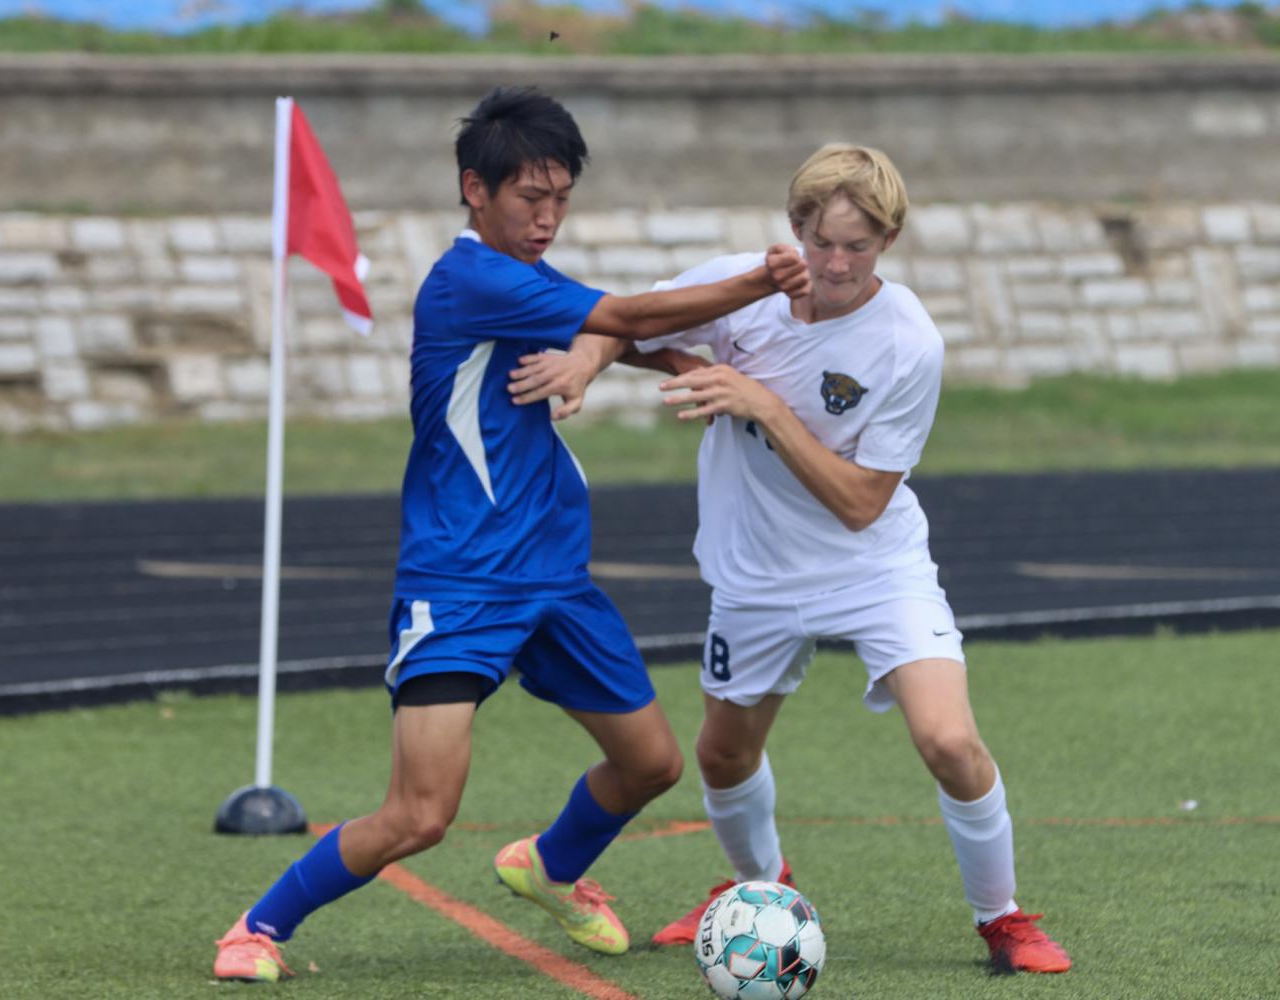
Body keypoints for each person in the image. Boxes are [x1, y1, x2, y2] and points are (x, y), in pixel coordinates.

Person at [211, 85, 813, 983]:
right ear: (474, 190)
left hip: (556, 581)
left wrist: (643, 356)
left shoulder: (522, 282)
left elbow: (607, 331)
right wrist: (763, 280)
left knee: (649, 762)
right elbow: (627, 317)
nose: (547, 218)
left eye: (561, 198)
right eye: (531, 198)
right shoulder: (469, 278)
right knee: (420, 815)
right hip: (460, 582)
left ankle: (550, 866)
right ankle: (256, 928)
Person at [508, 143, 1072, 975]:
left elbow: (858, 502)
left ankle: (1004, 919)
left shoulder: (907, 343)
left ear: (888, 239)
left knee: (949, 741)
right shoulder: (745, 286)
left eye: (859, 245)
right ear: (794, 228)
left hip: (872, 569)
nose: (836, 264)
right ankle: (754, 889)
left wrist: (759, 402)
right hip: (755, 573)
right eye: (821, 241)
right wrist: (604, 364)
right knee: (721, 753)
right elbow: (620, 323)